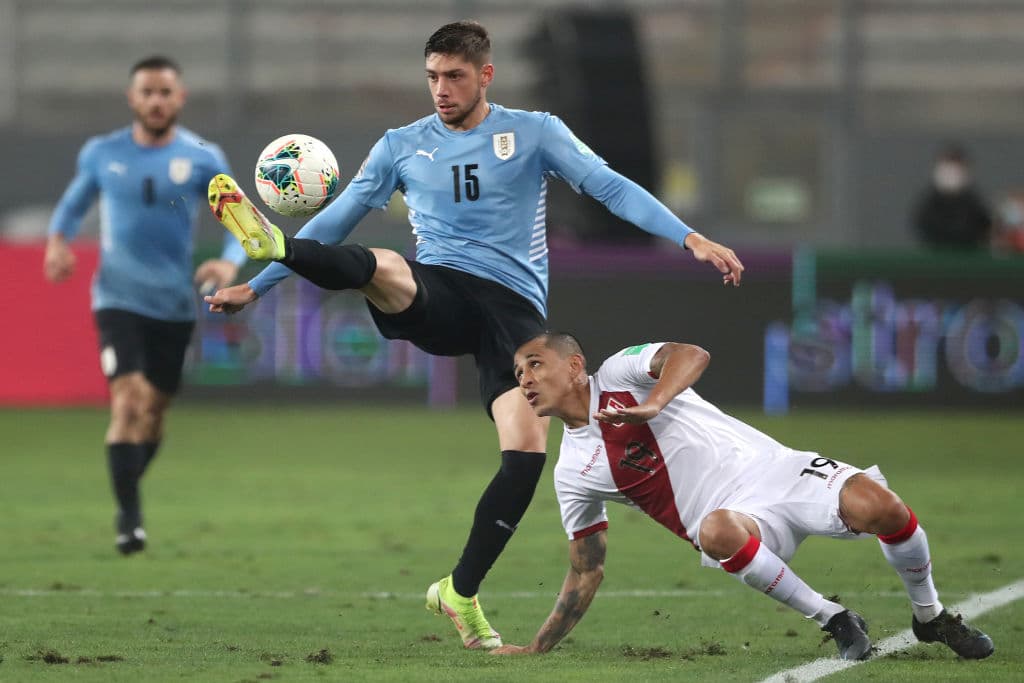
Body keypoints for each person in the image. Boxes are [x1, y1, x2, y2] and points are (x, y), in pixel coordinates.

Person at [203, 20, 744, 649]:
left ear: (485, 75)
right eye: (432, 76)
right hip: (440, 291)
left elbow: (609, 186)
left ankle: (459, 593)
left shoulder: (534, 132)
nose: (441, 88)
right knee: (381, 266)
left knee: (525, 455)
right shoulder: (401, 146)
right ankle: (275, 243)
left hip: (512, 313)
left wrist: (690, 236)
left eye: (455, 76)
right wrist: (260, 281)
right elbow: (337, 218)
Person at [494, 332, 994, 660]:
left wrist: (653, 404)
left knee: (884, 508)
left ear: (576, 365)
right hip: (734, 519)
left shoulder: (620, 373)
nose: (525, 380)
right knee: (714, 531)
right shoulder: (572, 472)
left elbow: (691, 354)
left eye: (534, 365)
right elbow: (586, 567)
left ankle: (930, 616)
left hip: (778, 469)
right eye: (518, 374)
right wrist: (537, 649)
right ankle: (836, 618)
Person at [44, 56, 246, 555]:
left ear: (180, 98)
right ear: (132, 99)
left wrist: (229, 265)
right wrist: (57, 242)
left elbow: (241, 222)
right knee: (129, 400)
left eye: (165, 92)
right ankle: (129, 518)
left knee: (154, 413)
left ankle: (128, 489)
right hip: (116, 298)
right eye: (147, 92)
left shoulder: (202, 155)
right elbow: (72, 205)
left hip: (173, 305)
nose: (156, 101)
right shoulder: (102, 152)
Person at [912, 145, 992, 250]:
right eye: (947, 164)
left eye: (956, 165)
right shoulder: (929, 203)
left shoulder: (974, 203)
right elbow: (923, 225)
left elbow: (982, 226)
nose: (951, 172)